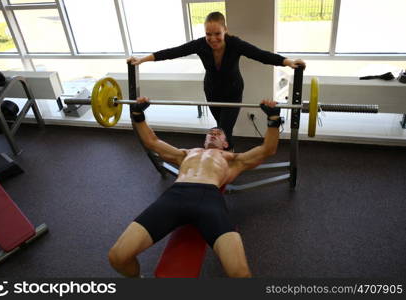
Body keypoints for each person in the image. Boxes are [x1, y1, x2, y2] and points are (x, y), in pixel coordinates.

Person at [108, 96, 283, 278]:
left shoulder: (233, 160)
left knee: (240, 274)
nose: (213, 133)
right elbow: (152, 142)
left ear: (226, 143)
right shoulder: (186, 154)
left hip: (209, 201)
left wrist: (273, 120)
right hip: (175, 196)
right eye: (210, 132)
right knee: (117, 257)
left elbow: (267, 149)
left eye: (219, 133)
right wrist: (138, 114)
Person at [127, 11, 305, 150]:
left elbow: (261, 55)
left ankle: (227, 155)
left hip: (233, 91)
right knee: (221, 128)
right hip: (211, 90)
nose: (212, 39)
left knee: (223, 130)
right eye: (208, 34)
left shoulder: (235, 44)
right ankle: (229, 151)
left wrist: (288, 62)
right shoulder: (200, 44)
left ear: (225, 30)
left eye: (217, 33)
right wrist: (142, 60)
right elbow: (173, 52)